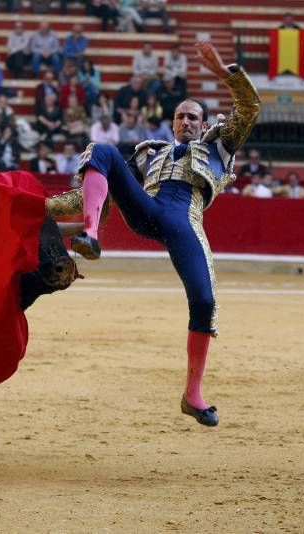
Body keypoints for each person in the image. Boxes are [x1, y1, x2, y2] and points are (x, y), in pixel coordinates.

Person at [47, 41, 260, 427]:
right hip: (148, 211)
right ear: (172, 122)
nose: (187, 122)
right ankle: (91, 236)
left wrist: (222, 73)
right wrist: (46, 209)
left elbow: (249, 109)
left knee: (205, 301)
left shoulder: (220, 145)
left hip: (184, 222)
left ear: (204, 123)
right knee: (105, 152)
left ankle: (192, 394)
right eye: (181, 117)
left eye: (194, 117)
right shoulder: (151, 152)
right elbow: (100, 188)